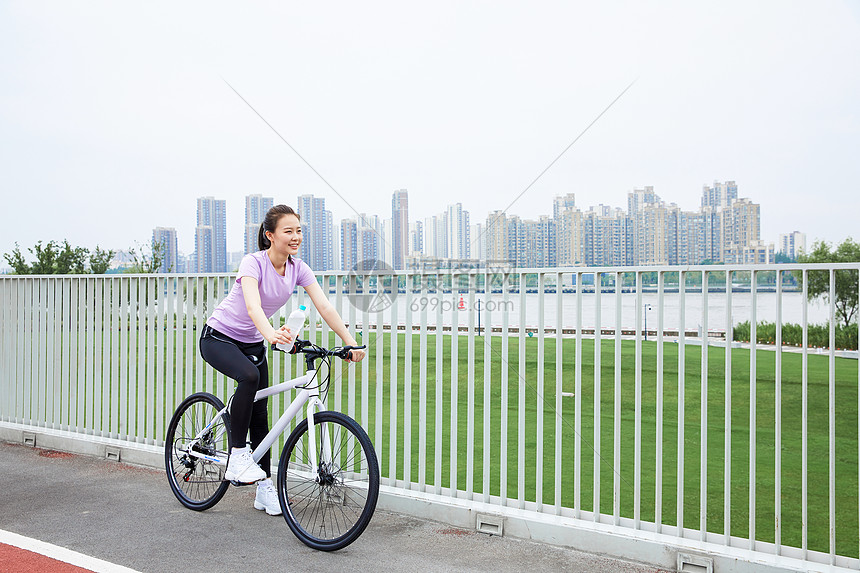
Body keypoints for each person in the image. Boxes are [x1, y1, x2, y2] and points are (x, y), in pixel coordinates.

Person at [199, 204, 365, 516]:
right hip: (218, 337)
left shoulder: (298, 269)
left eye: (299, 230)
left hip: (252, 343)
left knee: (260, 415)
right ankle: (237, 457)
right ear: (270, 235)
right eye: (288, 231)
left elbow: (325, 307)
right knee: (248, 378)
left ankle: (264, 488)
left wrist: (350, 342)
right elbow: (252, 307)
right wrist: (271, 333)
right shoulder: (253, 263)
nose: (295, 236)